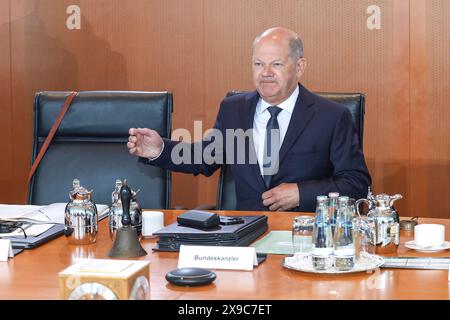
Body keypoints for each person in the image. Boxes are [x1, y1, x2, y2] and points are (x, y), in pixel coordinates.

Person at [127, 27, 371, 212]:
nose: (265, 73)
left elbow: (356, 183)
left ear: (299, 67)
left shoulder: (331, 116)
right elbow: (206, 158)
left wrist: (301, 193)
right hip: (247, 233)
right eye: (258, 64)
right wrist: (160, 150)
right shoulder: (234, 109)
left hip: (305, 233)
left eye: (276, 64)